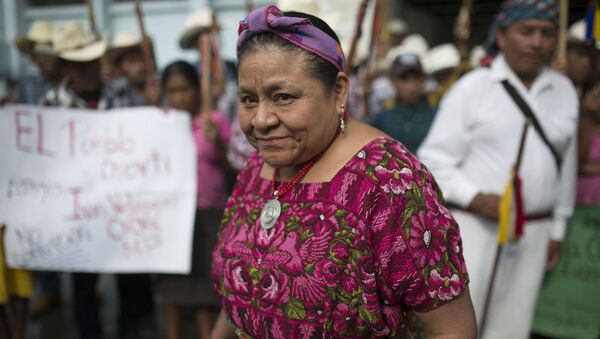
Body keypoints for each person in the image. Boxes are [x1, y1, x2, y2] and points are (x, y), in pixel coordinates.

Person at [210, 5, 477, 339]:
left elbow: (452, 330)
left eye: (283, 97)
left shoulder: (388, 183)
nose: (261, 120)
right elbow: (240, 281)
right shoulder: (258, 166)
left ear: (338, 92)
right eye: (249, 99)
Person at [417, 1, 578, 338]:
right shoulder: (472, 89)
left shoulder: (565, 92)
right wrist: (474, 197)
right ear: (502, 36)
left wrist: (558, 228)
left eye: (546, 33)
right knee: (463, 324)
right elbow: (432, 160)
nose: (537, 42)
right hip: (474, 231)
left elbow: (566, 166)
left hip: (534, 233)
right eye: (526, 31)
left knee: (513, 325)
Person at [42, 21, 148, 339]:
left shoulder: (123, 92)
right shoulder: (50, 105)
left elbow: (146, 138)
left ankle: (129, 332)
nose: (87, 70)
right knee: (83, 287)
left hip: (123, 206)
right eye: (78, 64)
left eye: (90, 62)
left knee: (129, 283)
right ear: (64, 66)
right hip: (78, 213)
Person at [154, 60, 230, 339]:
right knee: (171, 286)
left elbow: (235, 167)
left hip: (207, 212)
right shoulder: (161, 122)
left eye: (184, 89)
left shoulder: (215, 121)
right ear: (164, 92)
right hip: (172, 214)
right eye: (172, 91)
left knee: (202, 288)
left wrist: (218, 143)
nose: (178, 97)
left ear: (197, 89)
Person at [371, 53, 436, 154]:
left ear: (424, 79)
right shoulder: (382, 120)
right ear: (392, 81)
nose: (411, 85)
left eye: (416, 78)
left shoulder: (436, 117)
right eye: (404, 78)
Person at [106, 31, 161, 106]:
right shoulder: (115, 93)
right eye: (132, 61)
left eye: (142, 59)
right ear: (120, 68)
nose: (140, 66)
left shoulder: (160, 89)